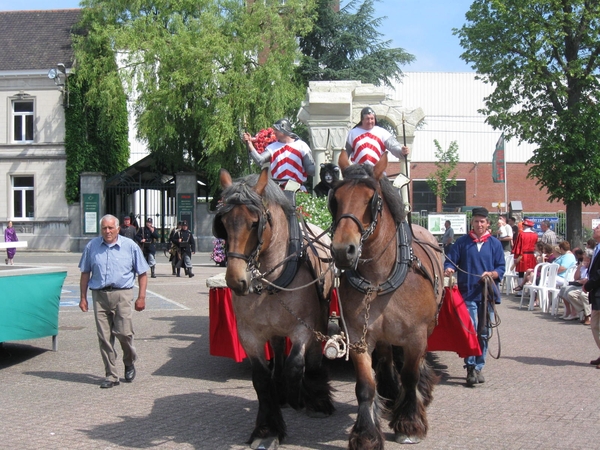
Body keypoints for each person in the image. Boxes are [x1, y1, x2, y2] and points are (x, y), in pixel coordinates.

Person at [78, 214, 149, 388]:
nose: (107, 231)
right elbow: (85, 273)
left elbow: (142, 273)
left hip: (122, 294)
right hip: (100, 296)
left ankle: (128, 360)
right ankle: (111, 375)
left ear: (118, 228)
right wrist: (82, 297)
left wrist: (141, 297)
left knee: (124, 334)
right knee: (104, 337)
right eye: (104, 228)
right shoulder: (92, 246)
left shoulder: (130, 246)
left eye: (111, 228)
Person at [444, 207, 505, 387]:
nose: (479, 224)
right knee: (470, 330)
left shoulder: (495, 244)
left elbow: (501, 267)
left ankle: (479, 366)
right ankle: (470, 367)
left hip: (487, 294)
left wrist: (493, 273)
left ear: (487, 224)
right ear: (472, 223)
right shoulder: (462, 243)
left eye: (482, 222)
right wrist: (449, 268)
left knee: (484, 332)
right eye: (476, 221)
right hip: (467, 293)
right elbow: (451, 260)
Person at [243, 119, 315, 191]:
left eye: (276, 130)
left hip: (297, 188)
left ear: (284, 129)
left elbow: (310, 168)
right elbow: (260, 160)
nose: (274, 132)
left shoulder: (301, 145)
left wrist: (319, 167)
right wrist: (249, 144)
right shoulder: (272, 147)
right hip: (278, 190)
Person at [345, 107, 410, 166]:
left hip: (377, 171)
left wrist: (401, 152)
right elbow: (346, 153)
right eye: (367, 119)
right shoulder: (352, 133)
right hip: (359, 172)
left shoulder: (382, 132)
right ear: (362, 120)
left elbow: (393, 146)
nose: (370, 121)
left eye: (372, 118)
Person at [583, 224, 600, 369]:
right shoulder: (597, 248)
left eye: (598, 228)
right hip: (596, 292)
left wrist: (588, 285)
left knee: (596, 325)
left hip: (598, 289)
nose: (594, 229)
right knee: (595, 325)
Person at [512, 218, 538, 284]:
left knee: (521, 272)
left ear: (525, 226)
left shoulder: (521, 234)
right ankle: (530, 290)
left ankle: (520, 289)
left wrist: (516, 257)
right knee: (531, 271)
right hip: (532, 255)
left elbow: (518, 246)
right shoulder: (535, 235)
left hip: (522, 255)